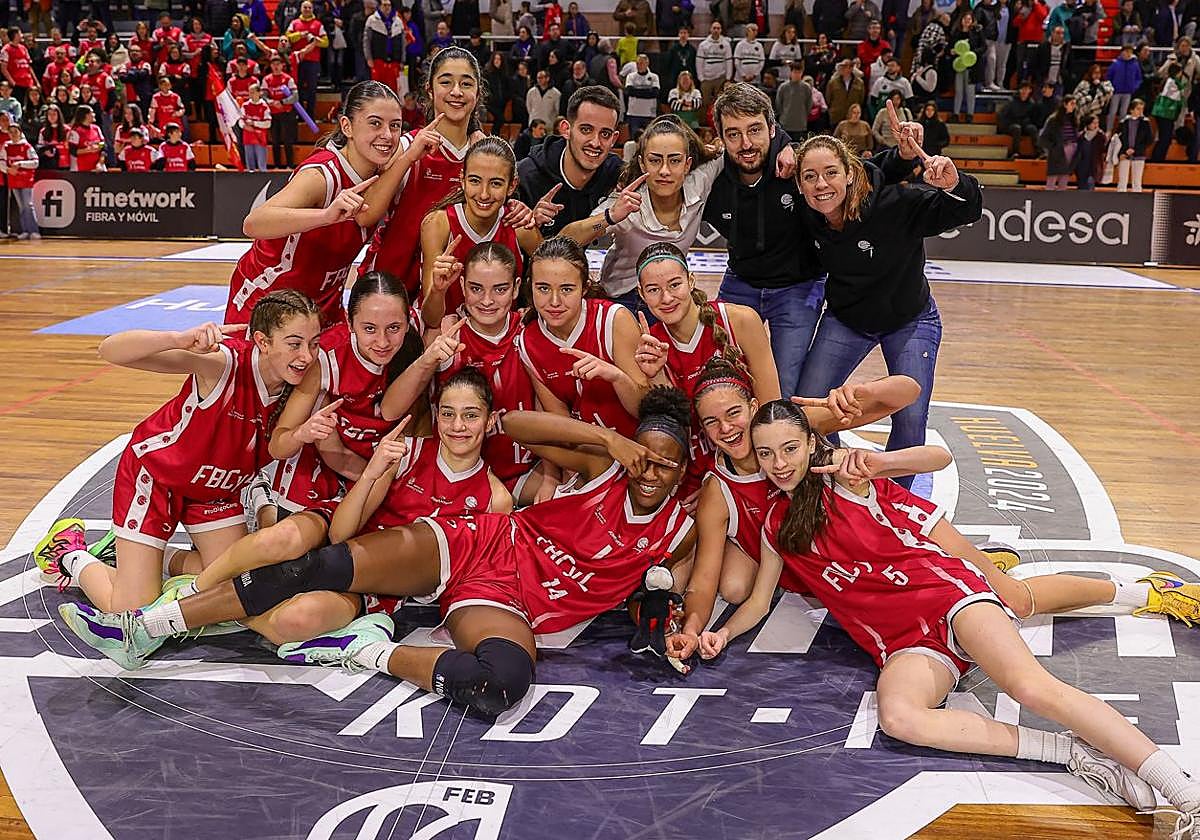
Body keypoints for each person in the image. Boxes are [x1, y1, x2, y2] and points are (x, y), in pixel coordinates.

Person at [667, 398, 1200, 840]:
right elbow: (757, 602)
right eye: (766, 454)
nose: (779, 463)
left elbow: (939, 456)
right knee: (901, 718)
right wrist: (720, 633)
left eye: (789, 448)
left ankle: (1186, 793)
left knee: (1030, 684)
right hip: (903, 642)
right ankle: (1075, 755)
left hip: (948, 599)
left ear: (811, 443)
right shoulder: (776, 524)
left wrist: (881, 464)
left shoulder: (852, 480)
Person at [60, 387, 697, 728]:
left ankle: (362, 652)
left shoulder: (680, 530)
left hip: (507, 601)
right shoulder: (603, 468)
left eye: (666, 462)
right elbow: (516, 425)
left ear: (684, 470)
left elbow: (677, 597)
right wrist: (609, 438)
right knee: (314, 564)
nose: (651, 468)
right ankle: (154, 624)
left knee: (499, 683)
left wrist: (680, 629)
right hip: (475, 543)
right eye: (645, 454)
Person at [35, 291, 321, 615]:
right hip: (157, 477)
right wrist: (177, 338)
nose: (306, 356)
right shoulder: (223, 363)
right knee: (129, 609)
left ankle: (148, 554)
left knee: (239, 584)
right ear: (263, 342)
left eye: (314, 343)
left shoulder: (304, 385)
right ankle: (70, 554)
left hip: (214, 492)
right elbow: (111, 350)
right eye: (294, 344)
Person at [793, 129, 981, 487]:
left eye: (831, 173)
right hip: (847, 319)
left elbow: (965, 210)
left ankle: (894, 505)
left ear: (849, 173)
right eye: (810, 176)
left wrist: (956, 183)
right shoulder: (806, 213)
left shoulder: (892, 204)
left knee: (911, 418)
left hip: (910, 319)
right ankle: (833, 485)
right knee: (812, 409)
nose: (821, 184)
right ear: (799, 185)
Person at [226, 80, 403, 327]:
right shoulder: (321, 176)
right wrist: (325, 216)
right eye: (375, 123)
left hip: (323, 304)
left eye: (395, 126)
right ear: (347, 126)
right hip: (270, 300)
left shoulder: (386, 175)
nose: (387, 135)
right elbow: (253, 223)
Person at [631, 242, 780, 506]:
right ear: (641, 294)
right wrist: (656, 378)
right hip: (698, 468)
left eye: (674, 285)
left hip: (754, 454)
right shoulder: (649, 347)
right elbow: (679, 427)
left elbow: (770, 409)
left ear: (691, 280)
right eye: (654, 290)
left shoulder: (740, 320)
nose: (666, 298)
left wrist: (733, 475)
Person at [560, 114, 724, 321]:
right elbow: (566, 240)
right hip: (623, 297)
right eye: (655, 160)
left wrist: (715, 145)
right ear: (643, 164)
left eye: (674, 160)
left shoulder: (699, 182)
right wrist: (611, 216)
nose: (664, 170)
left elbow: (738, 146)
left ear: (687, 164)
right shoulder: (627, 200)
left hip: (671, 295)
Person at [358, 47, 482, 295]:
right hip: (392, 288)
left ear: (477, 94)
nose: (456, 91)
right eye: (446, 82)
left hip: (453, 292)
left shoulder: (483, 155)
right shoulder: (406, 145)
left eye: (466, 84)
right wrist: (410, 157)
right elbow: (365, 215)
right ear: (430, 89)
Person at [418, 136, 554, 324]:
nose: (484, 194)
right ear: (462, 179)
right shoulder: (438, 224)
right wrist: (438, 291)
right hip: (449, 338)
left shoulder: (519, 225)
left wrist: (531, 313)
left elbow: (555, 275)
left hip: (504, 341)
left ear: (511, 185)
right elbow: (431, 320)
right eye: (475, 181)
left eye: (496, 183)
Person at [516, 85, 622, 238]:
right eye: (586, 129)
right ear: (566, 129)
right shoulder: (526, 177)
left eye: (605, 134)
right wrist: (531, 227)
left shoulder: (618, 173)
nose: (595, 143)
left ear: (614, 139)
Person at [287, 0, 329, 118]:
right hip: (298, 62)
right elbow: (288, 37)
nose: (307, 10)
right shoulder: (294, 23)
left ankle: (310, 114)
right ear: (301, 9)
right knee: (298, 89)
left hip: (313, 62)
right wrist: (300, 35)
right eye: (305, 7)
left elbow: (325, 43)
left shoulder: (318, 24)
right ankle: (300, 114)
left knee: (312, 89)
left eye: (309, 8)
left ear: (312, 9)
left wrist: (314, 39)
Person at [2, 120, 37, 238]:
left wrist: (20, 164)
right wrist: (8, 170)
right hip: (13, 181)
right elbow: (1, 162)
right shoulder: (6, 147)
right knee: (21, 206)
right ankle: (25, 231)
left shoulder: (26, 146)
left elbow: (35, 162)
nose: (13, 134)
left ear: (20, 132)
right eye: (10, 132)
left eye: (15, 132)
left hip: (26, 180)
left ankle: (34, 231)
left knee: (28, 205)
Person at [363, 0, 407, 95]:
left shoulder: (398, 21)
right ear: (380, 6)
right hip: (378, 59)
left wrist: (402, 60)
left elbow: (403, 43)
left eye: (389, 5)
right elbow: (366, 41)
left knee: (393, 90)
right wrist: (369, 58)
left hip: (394, 60)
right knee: (377, 89)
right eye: (384, 5)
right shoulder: (372, 20)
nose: (387, 7)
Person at [1039, 94, 1078, 188]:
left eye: (1075, 104)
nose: (1074, 106)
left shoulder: (1073, 119)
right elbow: (1043, 138)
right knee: (1052, 180)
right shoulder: (1054, 120)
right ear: (1065, 104)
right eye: (1071, 104)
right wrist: (1054, 147)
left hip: (1072, 150)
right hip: (1059, 151)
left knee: (1064, 179)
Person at [695, 20, 732, 113]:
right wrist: (701, 78)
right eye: (714, 28)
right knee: (705, 102)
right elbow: (699, 62)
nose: (716, 30)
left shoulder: (726, 44)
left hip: (720, 78)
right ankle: (703, 124)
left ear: (721, 30)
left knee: (721, 103)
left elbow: (729, 61)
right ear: (710, 30)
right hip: (706, 79)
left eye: (718, 28)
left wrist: (728, 78)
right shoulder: (703, 45)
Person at [1116, 97, 1151, 191]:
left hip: (1139, 154)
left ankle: (1137, 204)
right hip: (1124, 154)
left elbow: (1148, 140)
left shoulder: (1145, 123)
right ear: (1131, 109)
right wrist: (1125, 150)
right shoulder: (1124, 122)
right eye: (1138, 109)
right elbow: (1118, 138)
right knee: (1122, 182)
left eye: (1142, 109)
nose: (1140, 111)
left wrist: (1135, 149)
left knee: (1137, 182)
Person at [1105, 42, 1142, 133]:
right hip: (1116, 91)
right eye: (1126, 51)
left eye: (1130, 52)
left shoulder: (1135, 64)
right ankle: (1108, 130)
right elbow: (1108, 76)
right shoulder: (1116, 64)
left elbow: (1138, 78)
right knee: (1112, 112)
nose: (1128, 54)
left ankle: (1121, 130)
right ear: (1122, 52)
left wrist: (1134, 87)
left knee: (1123, 113)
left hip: (1128, 92)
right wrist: (1111, 87)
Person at [623, 53, 659, 138]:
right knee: (634, 138)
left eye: (642, 63)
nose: (640, 65)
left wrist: (636, 92)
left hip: (649, 114)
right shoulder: (631, 76)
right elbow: (629, 91)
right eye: (638, 63)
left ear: (647, 64)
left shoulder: (654, 77)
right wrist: (647, 91)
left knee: (649, 138)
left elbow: (655, 93)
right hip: (634, 113)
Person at [825, 59, 865, 127]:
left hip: (852, 117)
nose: (842, 69)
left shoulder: (859, 83)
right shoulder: (832, 82)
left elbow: (861, 99)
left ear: (851, 68)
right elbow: (828, 98)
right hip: (836, 116)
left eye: (845, 67)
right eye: (841, 67)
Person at [241, 82, 270, 171]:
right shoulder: (245, 105)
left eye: (253, 92)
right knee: (250, 166)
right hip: (248, 138)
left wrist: (254, 123)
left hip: (260, 139)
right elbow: (240, 121)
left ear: (259, 93)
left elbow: (268, 123)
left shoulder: (264, 106)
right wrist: (245, 127)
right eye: (250, 92)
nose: (251, 94)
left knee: (262, 165)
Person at [66, 102, 104, 170]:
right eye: (92, 112)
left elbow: (102, 143)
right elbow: (73, 151)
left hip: (97, 168)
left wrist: (99, 147)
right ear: (86, 115)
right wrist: (88, 150)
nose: (94, 114)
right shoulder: (75, 132)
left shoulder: (96, 128)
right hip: (81, 168)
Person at [37, 102, 69, 169]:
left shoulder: (67, 130)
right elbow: (40, 146)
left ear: (58, 116)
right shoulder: (43, 131)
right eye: (49, 114)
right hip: (50, 164)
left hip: (65, 164)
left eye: (54, 114)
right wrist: (45, 152)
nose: (52, 117)